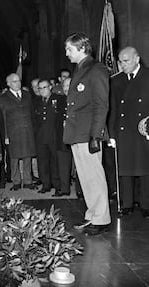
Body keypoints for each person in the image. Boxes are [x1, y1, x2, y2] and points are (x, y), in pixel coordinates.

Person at [63, 32, 111, 235]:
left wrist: (96, 135)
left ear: (82, 48)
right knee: (86, 178)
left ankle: (101, 219)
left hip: (88, 133)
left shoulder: (96, 69)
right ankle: (93, 215)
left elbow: (101, 105)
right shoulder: (80, 69)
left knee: (94, 177)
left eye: (69, 49)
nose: (66, 54)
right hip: (78, 132)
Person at [108, 46, 149, 218]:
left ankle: (146, 204)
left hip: (143, 129)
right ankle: (127, 203)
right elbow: (114, 109)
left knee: (145, 168)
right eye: (120, 61)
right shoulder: (116, 81)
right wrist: (111, 133)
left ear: (137, 59)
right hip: (123, 130)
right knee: (124, 168)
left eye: (126, 61)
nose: (122, 64)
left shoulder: (147, 76)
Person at [0, 73, 37, 191]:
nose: (18, 83)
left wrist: (34, 130)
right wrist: (5, 135)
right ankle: (16, 181)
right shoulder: (3, 98)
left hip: (27, 130)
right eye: (14, 81)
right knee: (14, 157)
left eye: (19, 80)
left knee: (27, 156)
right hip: (13, 132)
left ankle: (28, 181)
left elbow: (31, 113)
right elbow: (3, 118)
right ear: (8, 83)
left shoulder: (27, 94)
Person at [33, 79, 60, 194]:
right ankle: (46, 184)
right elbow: (34, 119)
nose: (42, 90)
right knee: (42, 162)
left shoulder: (58, 99)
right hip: (41, 136)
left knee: (55, 161)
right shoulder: (36, 101)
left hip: (54, 135)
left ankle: (57, 185)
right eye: (40, 88)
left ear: (50, 87)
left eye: (45, 87)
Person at [53, 77, 73, 197]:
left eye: (69, 85)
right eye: (64, 86)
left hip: (77, 137)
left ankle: (81, 191)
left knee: (80, 167)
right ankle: (65, 188)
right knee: (63, 164)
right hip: (63, 137)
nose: (66, 88)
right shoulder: (59, 100)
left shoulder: (81, 100)